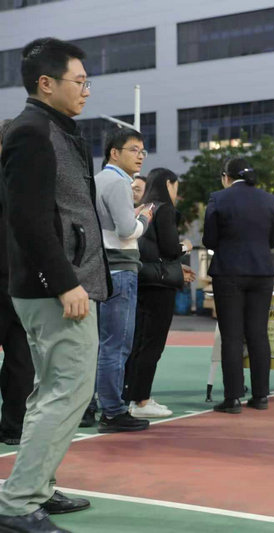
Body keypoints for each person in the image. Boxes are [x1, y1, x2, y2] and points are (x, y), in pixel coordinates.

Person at [0, 37, 112, 531]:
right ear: (46, 83)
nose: (86, 90)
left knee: (50, 390)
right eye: (79, 81)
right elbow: (27, 219)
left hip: (61, 285)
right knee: (67, 391)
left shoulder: (55, 130)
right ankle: (19, 502)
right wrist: (64, 282)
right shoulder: (31, 132)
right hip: (56, 290)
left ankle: (35, 487)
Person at [203, 157, 274, 414]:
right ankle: (261, 396)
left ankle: (233, 398)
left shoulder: (218, 199)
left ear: (226, 177)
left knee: (232, 336)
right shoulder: (269, 199)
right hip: (262, 272)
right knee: (258, 334)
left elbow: (209, 239)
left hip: (228, 272)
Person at [87, 128, 154, 431]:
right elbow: (127, 230)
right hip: (120, 269)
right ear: (114, 152)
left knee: (98, 345)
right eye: (133, 150)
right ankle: (113, 411)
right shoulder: (118, 183)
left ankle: (90, 406)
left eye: (142, 151)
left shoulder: (97, 180)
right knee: (116, 345)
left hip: (99, 269)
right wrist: (144, 219)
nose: (140, 156)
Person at [125, 169, 191, 419]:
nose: (176, 192)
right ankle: (141, 400)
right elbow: (170, 248)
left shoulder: (143, 209)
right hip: (160, 284)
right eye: (176, 186)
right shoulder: (164, 210)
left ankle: (132, 397)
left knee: (139, 342)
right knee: (153, 344)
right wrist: (186, 246)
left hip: (142, 279)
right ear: (168, 184)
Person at [0, 119, 35, 447]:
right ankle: (13, 426)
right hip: (20, 279)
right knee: (20, 356)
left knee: (21, 356)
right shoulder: (26, 180)